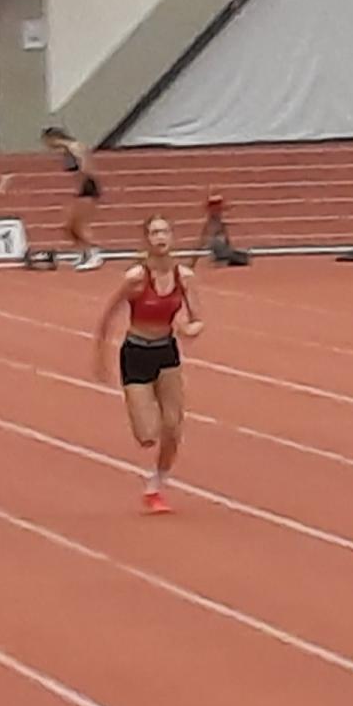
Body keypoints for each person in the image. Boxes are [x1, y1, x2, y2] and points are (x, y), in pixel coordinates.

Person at [94, 216, 204, 513]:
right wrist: (100, 357)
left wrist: (189, 329)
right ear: (146, 239)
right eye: (154, 232)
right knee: (147, 436)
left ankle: (156, 485)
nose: (160, 237)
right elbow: (108, 316)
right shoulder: (136, 279)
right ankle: (143, 408)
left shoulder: (184, 277)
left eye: (165, 231)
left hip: (166, 352)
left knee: (173, 427)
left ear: (172, 236)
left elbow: (197, 318)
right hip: (136, 353)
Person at [43, 127, 104, 271]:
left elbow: (87, 168)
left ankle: (94, 253)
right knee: (69, 226)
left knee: (79, 225)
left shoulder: (75, 147)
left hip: (88, 188)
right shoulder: (67, 151)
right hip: (80, 190)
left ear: (54, 138)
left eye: (48, 142)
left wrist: (85, 182)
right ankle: (83, 252)